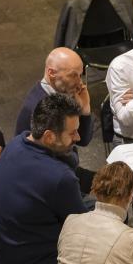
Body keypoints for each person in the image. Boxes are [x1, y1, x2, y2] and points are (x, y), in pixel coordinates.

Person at [0, 94, 88, 264]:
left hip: (8, 250)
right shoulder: (59, 178)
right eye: (73, 133)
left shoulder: (18, 142)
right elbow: (83, 230)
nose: (78, 137)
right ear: (49, 136)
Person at [15, 47, 94, 193]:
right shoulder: (39, 108)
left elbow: (82, 140)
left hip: (64, 170)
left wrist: (85, 110)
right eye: (73, 76)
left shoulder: (61, 97)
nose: (80, 83)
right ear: (51, 73)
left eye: (80, 75)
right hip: (49, 183)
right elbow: (37, 163)